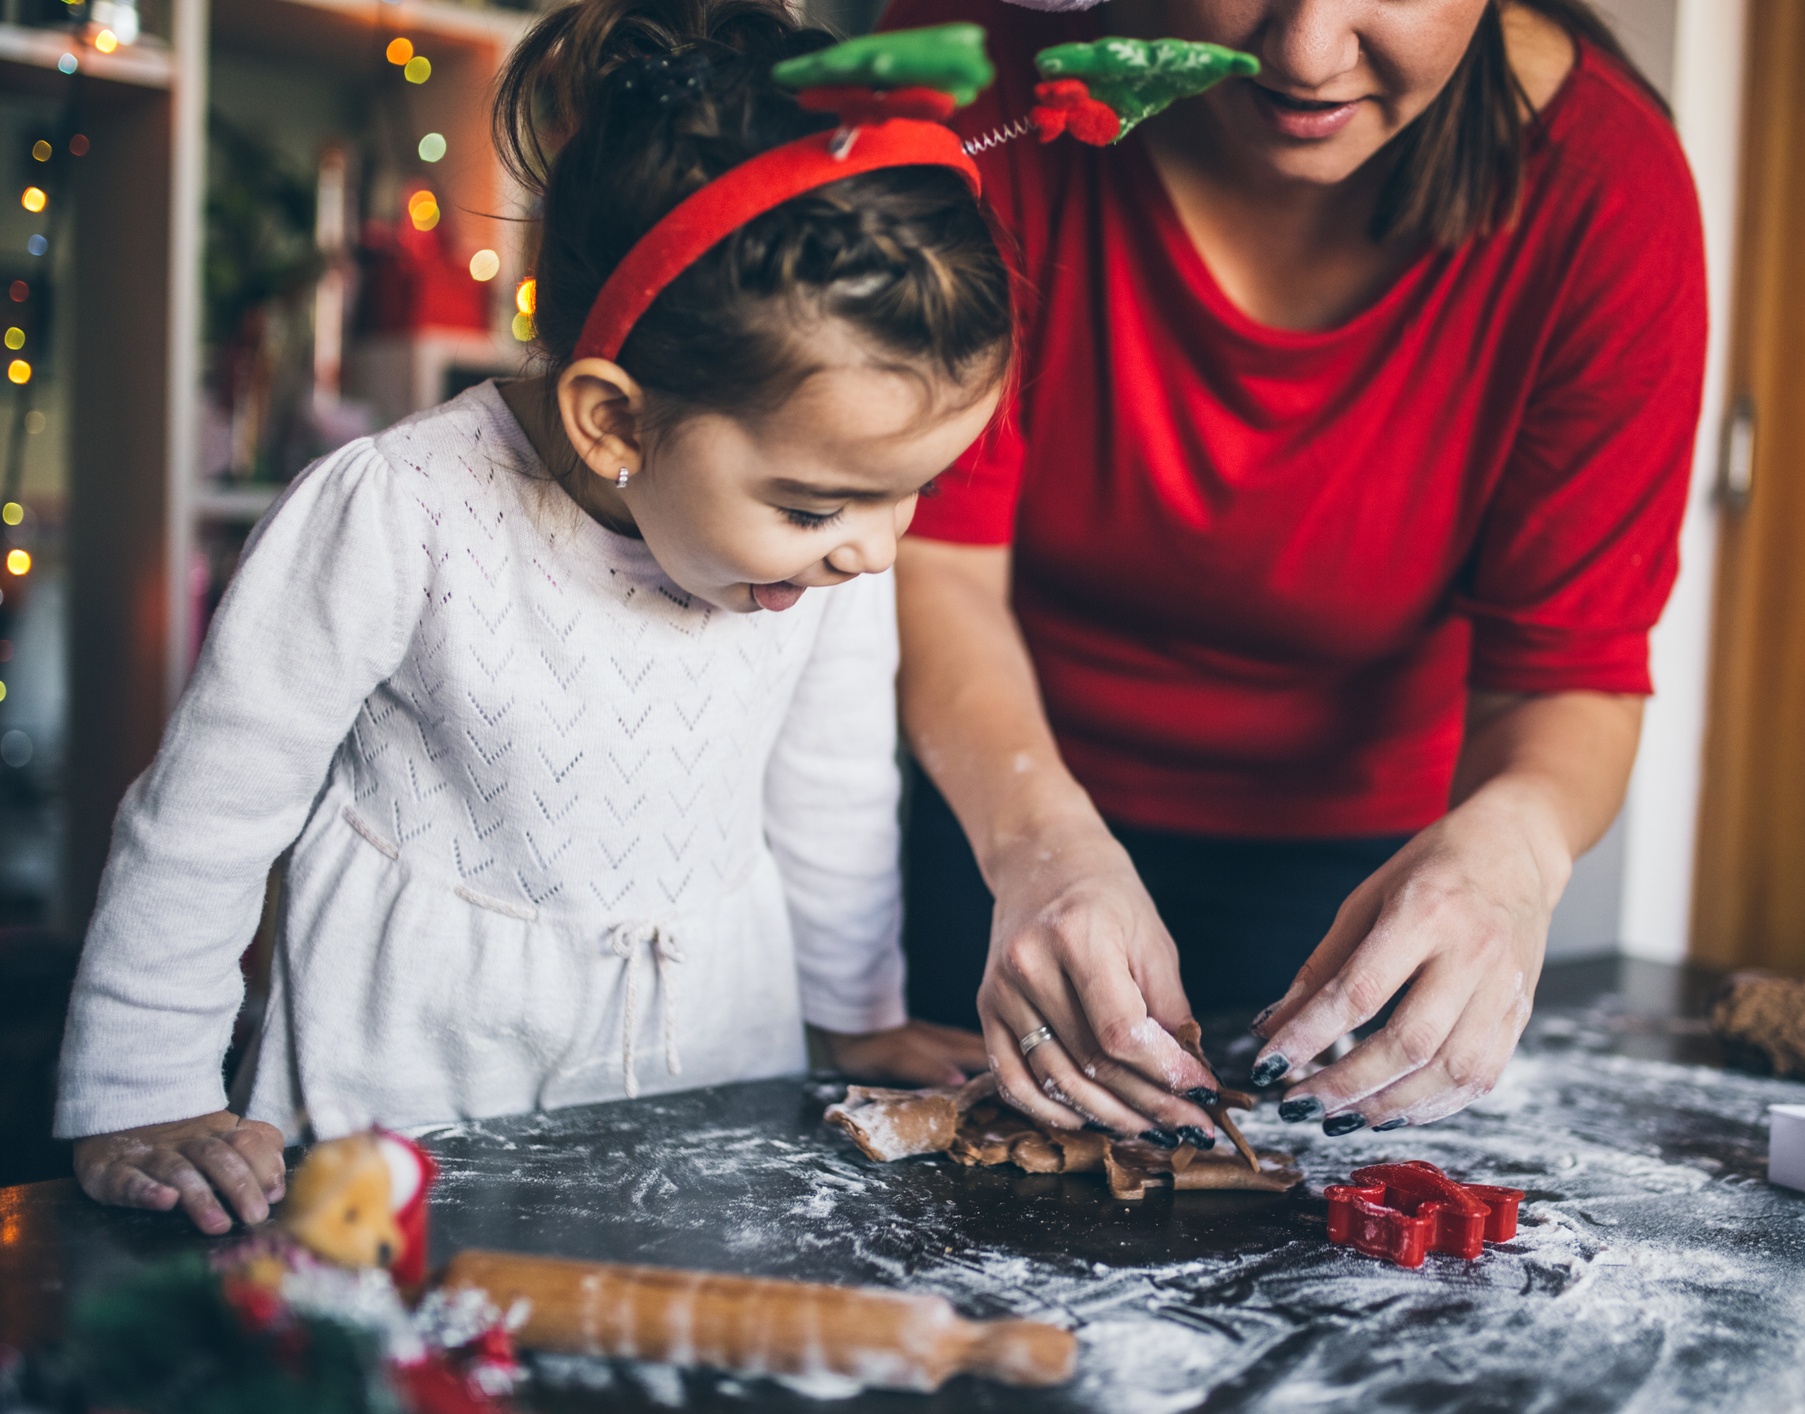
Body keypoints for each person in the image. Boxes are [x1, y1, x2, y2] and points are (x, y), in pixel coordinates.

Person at [56, 0, 1008, 1235]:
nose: (877, 547)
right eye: (817, 501)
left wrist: (855, 1009)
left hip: (717, 1055)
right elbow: (210, 813)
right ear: (613, 419)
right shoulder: (397, 507)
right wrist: (143, 1092)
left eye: (912, 491)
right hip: (412, 1079)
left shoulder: (830, 557)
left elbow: (828, 785)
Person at [888, 0, 1707, 1146]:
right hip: (1001, 805)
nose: (1308, 54)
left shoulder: (1608, 193)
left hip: (1358, 884)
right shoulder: (980, 81)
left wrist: (1514, 849)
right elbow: (936, 564)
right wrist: (1035, 840)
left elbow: (1566, 669)